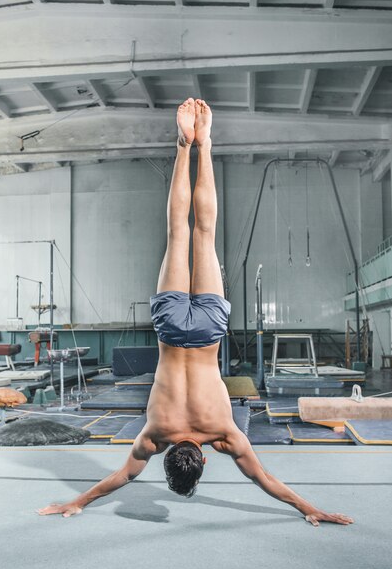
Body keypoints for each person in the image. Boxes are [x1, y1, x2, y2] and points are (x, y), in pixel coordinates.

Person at [38, 98, 353, 527]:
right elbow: (119, 477)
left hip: (207, 332)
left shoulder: (222, 435)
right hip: (170, 330)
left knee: (203, 235)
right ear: (168, 459)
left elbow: (264, 479)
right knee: (179, 234)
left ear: (202, 460)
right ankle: (185, 145)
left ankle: (205, 144)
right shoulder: (155, 436)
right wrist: (78, 501)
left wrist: (311, 509)